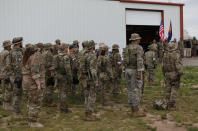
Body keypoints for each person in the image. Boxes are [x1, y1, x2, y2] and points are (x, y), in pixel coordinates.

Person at [123, 33, 145, 117]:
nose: (139, 40)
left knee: (130, 89)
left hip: (127, 70)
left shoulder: (126, 48)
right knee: (136, 89)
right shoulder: (138, 48)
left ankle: (132, 108)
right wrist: (139, 71)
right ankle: (136, 110)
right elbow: (139, 60)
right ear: (136, 40)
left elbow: (124, 60)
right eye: (138, 39)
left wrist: (124, 70)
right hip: (135, 70)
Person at [22, 45, 44, 127]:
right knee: (35, 103)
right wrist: (38, 84)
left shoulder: (27, 58)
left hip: (27, 84)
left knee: (30, 102)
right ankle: (33, 122)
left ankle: (31, 120)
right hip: (32, 85)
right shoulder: (34, 58)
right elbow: (35, 72)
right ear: (34, 51)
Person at [79, 41, 99, 121]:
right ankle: (89, 115)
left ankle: (87, 113)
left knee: (86, 96)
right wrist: (96, 81)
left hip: (84, 77)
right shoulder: (92, 56)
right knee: (92, 96)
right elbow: (93, 69)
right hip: (90, 79)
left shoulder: (83, 55)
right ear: (92, 47)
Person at [162, 42, 183, 110]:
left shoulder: (165, 54)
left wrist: (164, 74)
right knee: (174, 89)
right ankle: (172, 105)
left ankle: (167, 103)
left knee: (168, 89)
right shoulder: (176, 54)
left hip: (167, 74)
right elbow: (178, 66)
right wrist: (180, 75)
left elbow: (163, 66)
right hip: (174, 74)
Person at [53, 44, 72, 113]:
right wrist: (70, 77)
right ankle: (63, 109)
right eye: (67, 47)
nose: (67, 49)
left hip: (58, 75)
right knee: (63, 92)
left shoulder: (57, 56)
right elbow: (68, 68)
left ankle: (60, 106)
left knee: (60, 92)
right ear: (64, 49)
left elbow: (54, 67)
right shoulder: (65, 57)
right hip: (64, 76)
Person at [10, 37, 23, 117]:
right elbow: (17, 66)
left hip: (14, 75)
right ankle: (16, 113)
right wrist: (18, 78)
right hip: (17, 76)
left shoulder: (12, 51)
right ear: (18, 43)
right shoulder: (17, 53)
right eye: (21, 42)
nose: (22, 43)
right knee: (17, 94)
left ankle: (17, 111)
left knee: (16, 94)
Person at [0, 40, 12, 110]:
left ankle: (4, 105)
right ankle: (7, 106)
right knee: (8, 89)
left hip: (1, 73)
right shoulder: (7, 53)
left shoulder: (1, 52)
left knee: (4, 89)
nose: (10, 46)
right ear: (7, 46)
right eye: (10, 45)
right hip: (6, 74)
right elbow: (8, 65)